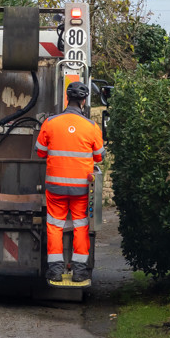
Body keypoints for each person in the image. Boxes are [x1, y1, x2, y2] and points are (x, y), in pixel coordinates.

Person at [36, 80, 105, 283]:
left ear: (67, 98)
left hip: (55, 188)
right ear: (84, 101)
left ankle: (56, 271)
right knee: (81, 226)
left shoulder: (50, 123)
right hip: (81, 189)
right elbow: (99, 156)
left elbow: (40, 151)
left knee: (55, 226)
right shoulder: (92, 127)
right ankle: (80, 272)